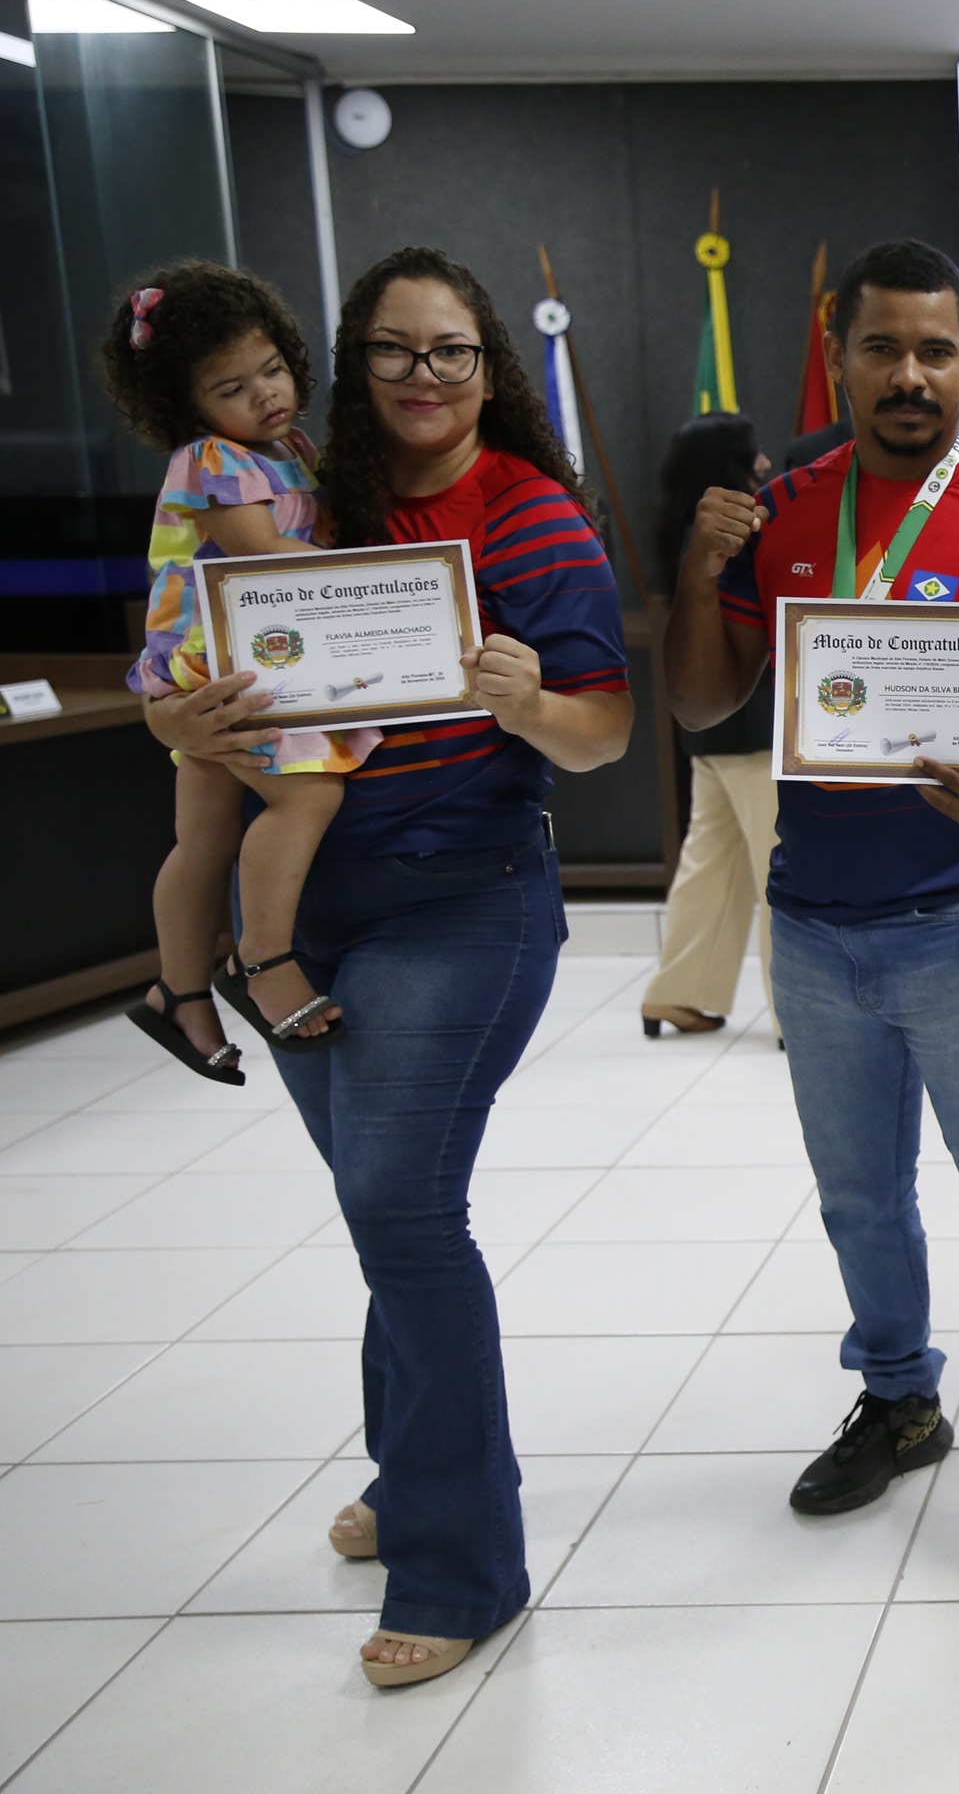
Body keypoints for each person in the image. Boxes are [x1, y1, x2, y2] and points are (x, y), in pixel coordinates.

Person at [149, 245, 633, 1686]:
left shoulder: (533, 516)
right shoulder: (303, 494)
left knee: (398, 1206)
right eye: (396, 350)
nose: (425, 376)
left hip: (463, 903)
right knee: (386, 1215)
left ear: (489, 367)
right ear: (353, 362)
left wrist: (529, 699)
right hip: (303, 916)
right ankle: (414, 1472)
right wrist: (179, 724)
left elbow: (605, 732)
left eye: (453, 351)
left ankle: (462, 1563)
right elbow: (192, 647)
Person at [665, 238, 959, 1642]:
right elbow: (700, 702)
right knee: (860, 1203)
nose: (911, 375)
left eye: (937, 351)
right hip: (816, 932)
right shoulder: (779, 511)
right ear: (840, 358)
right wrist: (698, 571)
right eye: (882, 348)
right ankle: (899, 1399)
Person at [105, 261, 374, 1084]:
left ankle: (178, 993)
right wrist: (371, 573)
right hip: (221, 662)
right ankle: (263, 957)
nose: (266, 394)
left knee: (206, 834)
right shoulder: (211, 457)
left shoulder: (287, 448)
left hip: (233, 654)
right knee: (307, 793)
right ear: (187, 405)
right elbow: (261, 552)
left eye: (273, 370)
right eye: (233, 387)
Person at [638, 412, 779, 1038]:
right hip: (754, 725)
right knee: (779, 869)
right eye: (753, 455)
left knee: (711, 862)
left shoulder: (681, 536)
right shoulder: (735, 536)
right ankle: (795, 1011)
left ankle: (678, 993)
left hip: (710, 730)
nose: (766, 464)